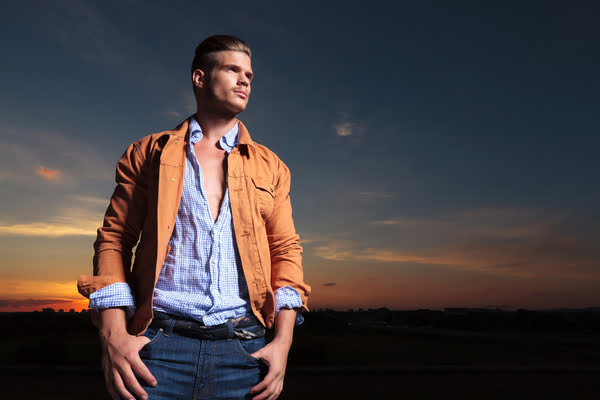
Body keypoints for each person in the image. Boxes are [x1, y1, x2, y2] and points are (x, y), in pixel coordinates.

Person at [77, 35, 310, 400]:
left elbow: (286, 251)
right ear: (200, 78)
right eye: (232, 69)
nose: (245, 80)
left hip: (245, 352)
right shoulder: (147, 153)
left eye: (249, 74)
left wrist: (282, 343)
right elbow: (115, 238)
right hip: (157, 350)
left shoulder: (272, 166)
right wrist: (114, 335)